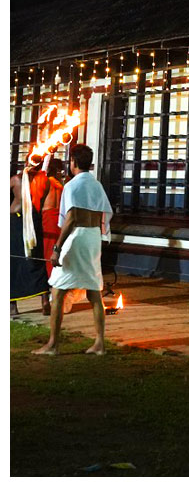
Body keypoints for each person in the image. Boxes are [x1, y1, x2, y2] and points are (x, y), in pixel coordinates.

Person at [33, 145, 113, 356]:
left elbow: (71, 219)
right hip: (93, 237)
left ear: (74, 163)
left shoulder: (71, 186)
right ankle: (100, 344)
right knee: (94, 291)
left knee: (58, 290)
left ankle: (52, 344)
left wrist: (57, 248)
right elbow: (105, 213)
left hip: (76, 237)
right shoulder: (96, 185)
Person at [10, 167, 50, 317]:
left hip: (15, 222)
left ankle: (12, 306)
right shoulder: (44, 181)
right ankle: (45, 300)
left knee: (13, 261)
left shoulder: (16, 179)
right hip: (33, 220)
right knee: (36, 260)